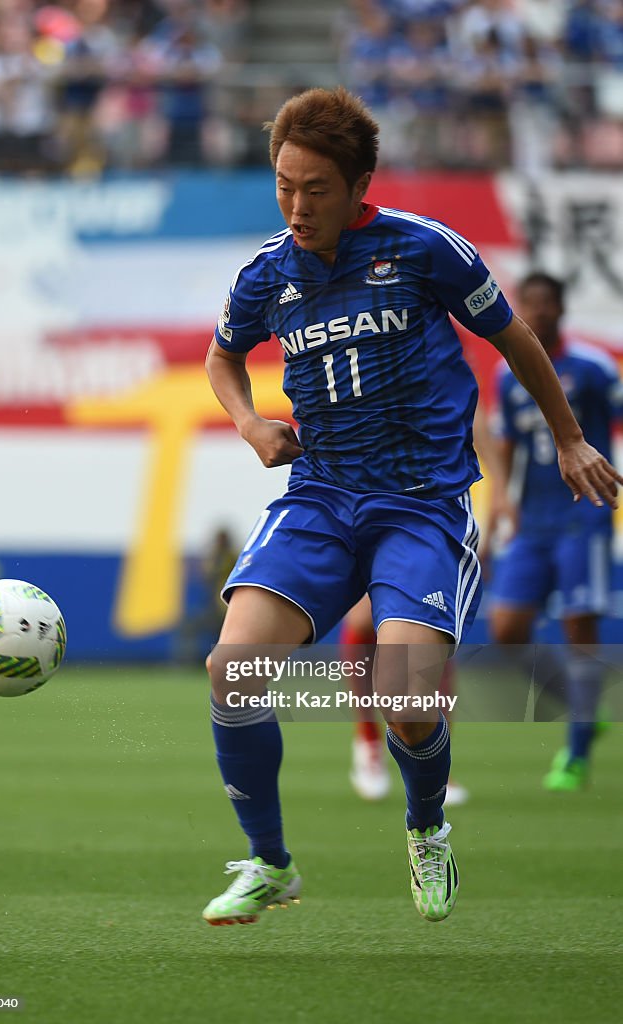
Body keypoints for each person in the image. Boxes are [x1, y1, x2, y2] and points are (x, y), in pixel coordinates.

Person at [202, 86, 621, 927]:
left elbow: (514, 338)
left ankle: (425, 825)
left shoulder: (424, 250)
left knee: (408, 697)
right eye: (284, 184)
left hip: (420, 505)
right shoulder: (265, 273)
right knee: (230, 670)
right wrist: (249, 423)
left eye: (315, 187)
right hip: (320, 495)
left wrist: (570, 438)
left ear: (359, 184)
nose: (296, 204)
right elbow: (223, 358)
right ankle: (268, 861)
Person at [489, 271, 622, 791]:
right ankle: (583, 706)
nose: (539, 311)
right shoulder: (508, 373)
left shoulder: (593, 367)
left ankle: (575, 756)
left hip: (583, 513)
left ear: (562, 308)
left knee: (577, 629)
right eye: (531, 303)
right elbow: (505, 446)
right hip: (534, 518)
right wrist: (501, 499)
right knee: (506, 630)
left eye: (548, 302)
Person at [345, 402, 511, 804]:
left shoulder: (456, 387)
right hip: (374, 512)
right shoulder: (377, 372)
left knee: (431, 636)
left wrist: (494, 518)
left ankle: (439, 765)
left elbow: (491, 460)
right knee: (364, 623)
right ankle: (367, 742)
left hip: (439, 522)